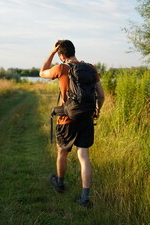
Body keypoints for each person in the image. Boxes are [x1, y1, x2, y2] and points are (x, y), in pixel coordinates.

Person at [39, 40, 105, 208]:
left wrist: (52, 52)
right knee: (83, 157)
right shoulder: (90, 68)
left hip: (66, 118)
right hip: (87, 118)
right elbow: (101, 95)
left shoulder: (61, 68)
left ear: (62, 56)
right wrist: (96, 111)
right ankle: (85, 198)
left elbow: (42, 72)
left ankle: (60, 184)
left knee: (62, 152)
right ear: (74, 51)